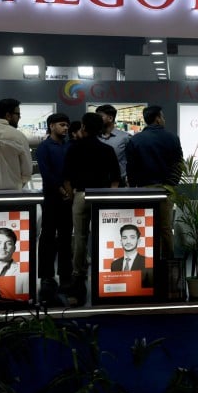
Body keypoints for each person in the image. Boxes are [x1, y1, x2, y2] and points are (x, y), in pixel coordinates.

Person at [62, 112, 121, 306]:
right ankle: (104, 274)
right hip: (102, 196)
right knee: (103, 238)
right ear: (101, 129)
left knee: (79, 238)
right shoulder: (107, 150)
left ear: (83, 128)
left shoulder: (73, 148)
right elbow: (115, 179)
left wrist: (72, 196)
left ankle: (79, 278)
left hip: (80, 195)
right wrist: (110, 196)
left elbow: (67, 178)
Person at [125, 105, 183, 259]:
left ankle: (150, 265)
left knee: (146, 227)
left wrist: (134, 187)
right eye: (162, 116)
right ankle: (168, 268)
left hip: (144, 190)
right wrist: (171, 184)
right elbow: (179, 164)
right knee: (165, 228)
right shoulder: (172, 138)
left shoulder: (135, 140)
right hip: (165, 189)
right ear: (157, 118)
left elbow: (131, 168)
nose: (163, 119)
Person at [35, 112, 72, 303]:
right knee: (48, 236)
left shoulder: (70, 145)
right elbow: (45, 172)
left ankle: (66, 275)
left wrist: (69, 189)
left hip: (68, 198)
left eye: (66, 125)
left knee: (66, 237)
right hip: (51, 197)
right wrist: (60, 189)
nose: (65, 128)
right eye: (61, 125)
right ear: (51, 126)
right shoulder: (44, 147)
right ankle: (47, 276)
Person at [95, 104, 129, 187]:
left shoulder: (124, 137)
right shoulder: (95, 137)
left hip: (119, 182)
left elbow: (131, 160)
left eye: (100, 117)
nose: (97, 120)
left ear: (110, 118)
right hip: (98, 182)